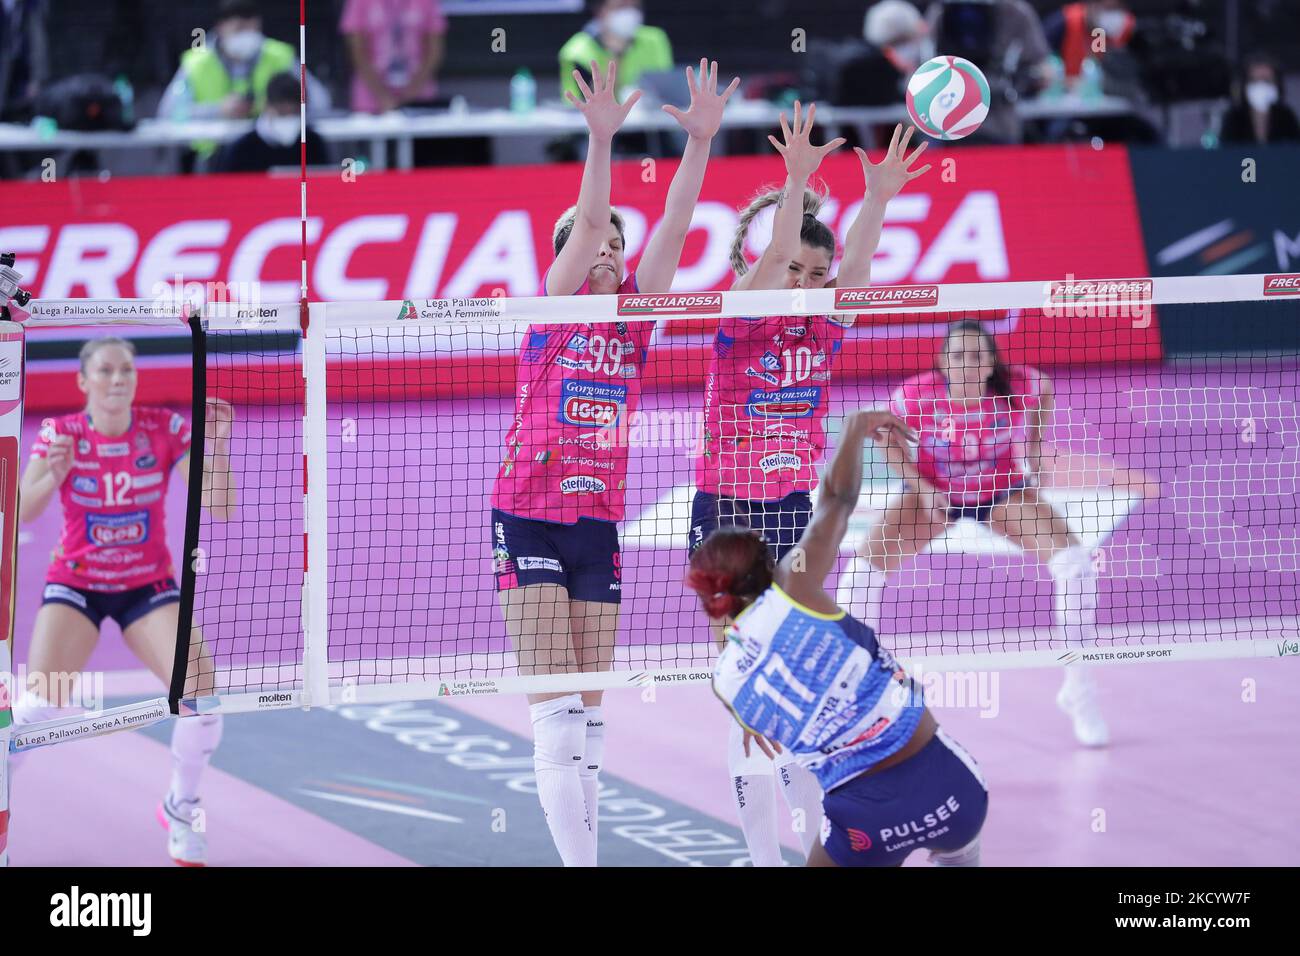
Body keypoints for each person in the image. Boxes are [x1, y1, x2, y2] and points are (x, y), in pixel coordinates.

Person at [491, 59, 737, 867]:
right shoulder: (554, 310)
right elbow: (592, 222)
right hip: (526, 517)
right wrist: (602, 140)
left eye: (616, 247)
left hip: (597, 527)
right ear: (567, 255)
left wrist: (697, 143)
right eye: (595, 243)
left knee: (592, 724)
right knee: (556, 718)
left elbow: (676, 220)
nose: (609, 251)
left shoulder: (636, 321)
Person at [692, 111, 930, 865]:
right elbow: (769, 266)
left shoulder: (826, 324)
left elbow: (853, 269)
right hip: (728, 514)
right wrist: (796, 183)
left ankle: (812, 845)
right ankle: (764, 857)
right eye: (787, 269)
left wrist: (880, 195)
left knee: (805, 695)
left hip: (795, 513)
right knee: (751, 703)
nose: (798, 283)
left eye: (810, 274)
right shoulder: (740, 318)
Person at [688, 408, 990, 867]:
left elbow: (769, 731)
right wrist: (855, 429)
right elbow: (837, 497)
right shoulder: (795, 587)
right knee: (961, 846)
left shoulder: (726, 681)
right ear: (767, 567)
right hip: (949, 788)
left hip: (863, 823)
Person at [13, 337, 236, 866]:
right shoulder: (59, 433)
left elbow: (221, 507)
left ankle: (181, 810)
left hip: (147, 586)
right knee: (39, 706)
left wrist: (216, 447)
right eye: (107, 371)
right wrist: (54, 474)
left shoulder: (165, 427)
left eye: (127, 371)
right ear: (83, 382)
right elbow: (21, 513)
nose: (118, 380)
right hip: (77, 584)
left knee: (201, 698)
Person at [838, 321, 1112, 746]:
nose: (968, 363)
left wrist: (1034, 449)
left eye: (977, 355)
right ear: (943, 363)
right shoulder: (916, 396)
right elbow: (887, 441)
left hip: (1001, 493)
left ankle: (1080, 689)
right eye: (958, 356)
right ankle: (862, 693)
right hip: (936, 494)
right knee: (860, 574)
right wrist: (921, 487)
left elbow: (1043, 395)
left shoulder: (1022, 386)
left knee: (1075, 566)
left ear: (991, 362)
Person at [156, 0, 331, 167]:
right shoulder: (197, 63)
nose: (246, 36)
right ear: (220, 28)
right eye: (239, 29)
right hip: (212, 157)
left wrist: (277, 110)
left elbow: (320, 101)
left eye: (252, 29)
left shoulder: (279, 56)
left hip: (265, 153)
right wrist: (217, 110)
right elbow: (169, 113)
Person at [340, 0, 447, 114]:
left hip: (419, 97)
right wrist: (382, 95)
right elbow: (357, 52)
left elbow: (434, 51)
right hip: (370, 99)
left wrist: (411, 93)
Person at [211, 71, 329, 173]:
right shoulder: (243, 149)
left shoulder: (312, 142)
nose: (287, 120)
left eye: (293, 114)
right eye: (281, 113)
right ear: (267, 105)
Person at [559, 0, 672, 104]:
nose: (629, 13)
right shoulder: (576, 51)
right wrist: (616, 53)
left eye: (635, 7)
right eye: (621, 6)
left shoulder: (655, 39)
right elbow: (592, 105)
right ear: (600, 12)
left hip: (652, 119)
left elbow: (668, 90)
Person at [1043, 1, 1136, 88]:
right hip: (1059, 92)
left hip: (1094, 95)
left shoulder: (1117, 29)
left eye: (1116, 8)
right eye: (1108, 8)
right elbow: (1041, 61)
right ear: (1092, 4)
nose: (1111, 14)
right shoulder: (1065, 21)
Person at [1218, 53, 1300, 146]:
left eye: (1266, 80)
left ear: (1277, 84)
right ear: (1245, 84)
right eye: (1255, 80)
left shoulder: (1287, 117)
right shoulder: (1233, 118)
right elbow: (1225, 152)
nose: (1260, 85)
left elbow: (1295, 150)